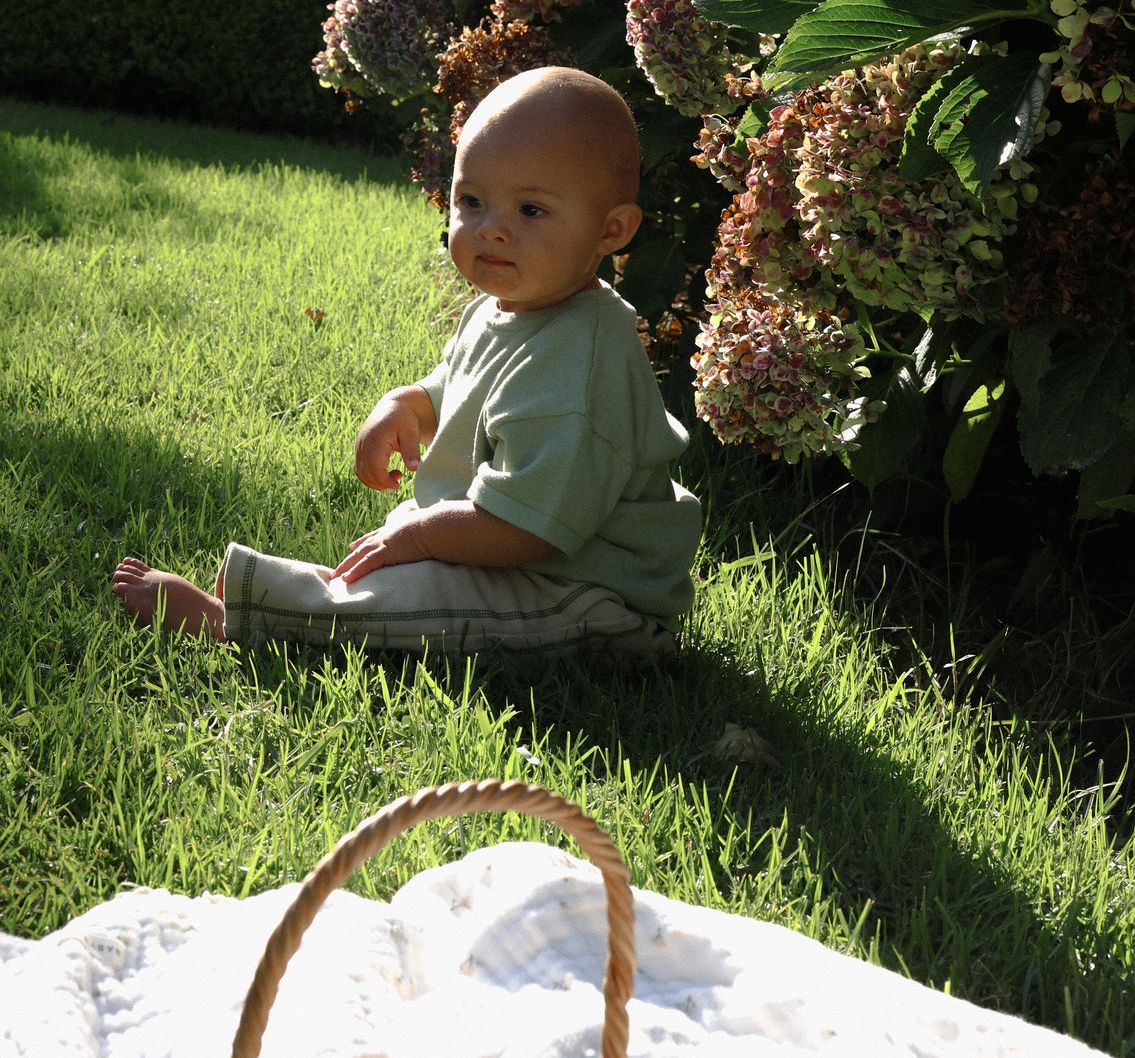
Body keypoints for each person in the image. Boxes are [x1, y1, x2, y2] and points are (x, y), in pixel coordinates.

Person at [112, 67, 701, 658]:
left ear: (611, 230)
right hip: (512, 553)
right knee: (402, 564)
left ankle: (234, 618)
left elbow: (528, 527)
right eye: (472, 201)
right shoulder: (502, 310)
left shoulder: (583, 360)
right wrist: (405, 406)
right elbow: (455, 393)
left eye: (530, 210)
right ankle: (302, 595)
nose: (491, 230)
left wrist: (420, 536)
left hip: (583, 594)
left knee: (419, 601)